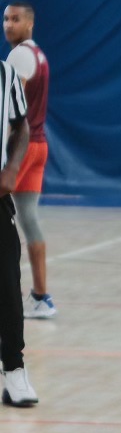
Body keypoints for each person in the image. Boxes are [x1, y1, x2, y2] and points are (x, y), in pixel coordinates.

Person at [3, 1, 55, 319]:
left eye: (16, 19)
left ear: (30, 24)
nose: (9, 24)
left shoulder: (19, 56)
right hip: (39, 146)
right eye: (5, 19)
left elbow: (14, 110)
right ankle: (41, 297)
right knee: (28, 219)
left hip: (20, 149)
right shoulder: (38, 54)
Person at [0, 59, 39, 406]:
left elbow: (21, 126)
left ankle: (14, 370)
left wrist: (12, 168)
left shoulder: (5, 74)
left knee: (8, 288)